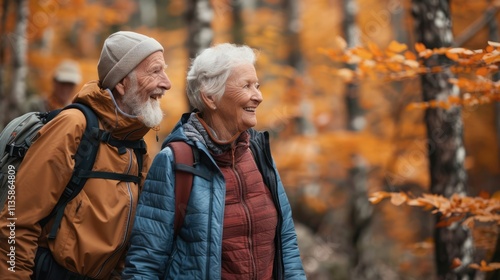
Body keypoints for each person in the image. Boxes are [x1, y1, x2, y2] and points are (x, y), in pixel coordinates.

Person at [123, 43, 306, 279]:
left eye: (257, 86)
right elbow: (145, 262)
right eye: (246, 86)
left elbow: (287, 241)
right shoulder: (176, 161)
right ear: (210, 97)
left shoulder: (259, 153)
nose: (258, 96)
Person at [0, 31, 172, 279]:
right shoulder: (73, 126)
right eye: (155, 71)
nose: (167, 82)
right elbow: (17, 222)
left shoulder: (136, 142)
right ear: (122, 83)